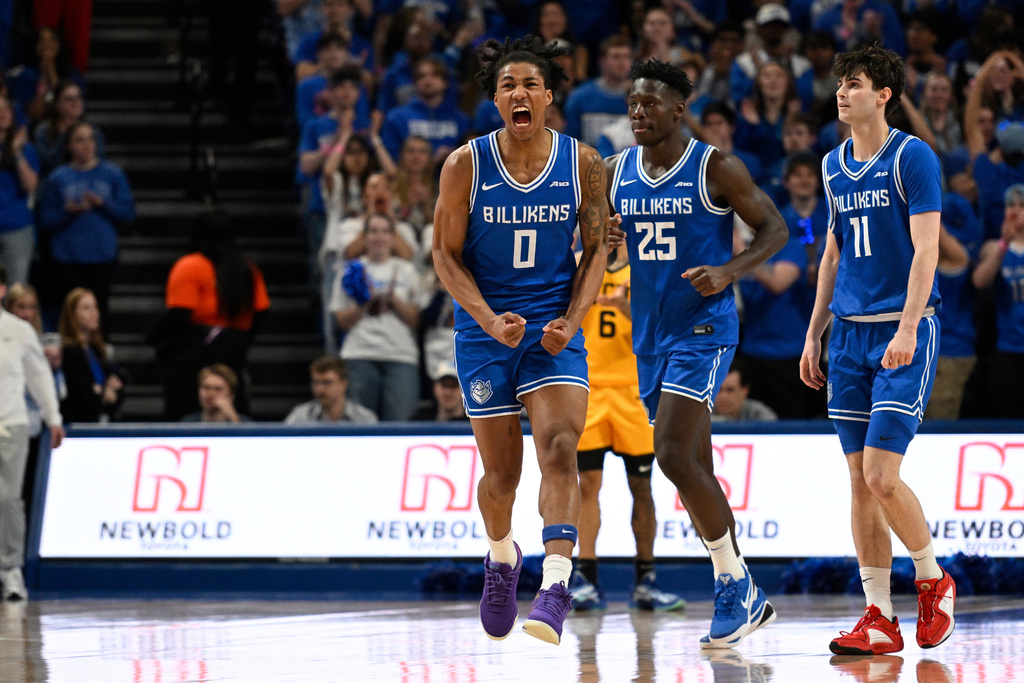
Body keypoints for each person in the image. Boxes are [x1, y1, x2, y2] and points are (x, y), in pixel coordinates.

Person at [432, 36, 610, 646]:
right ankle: (502, 557)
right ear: (497, 100)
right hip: (486, 332)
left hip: (551, 328)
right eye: (508, 85)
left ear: (550, 96)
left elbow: (596, 252)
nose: (520, 93)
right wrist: (484, 317)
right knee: (501, 478)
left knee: (561, 447)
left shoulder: (584, 163)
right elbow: (444, 255)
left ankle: (556, 584)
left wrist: (574, 317)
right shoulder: (465, 165)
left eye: (530, 84)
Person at [608, 58, 787, 649]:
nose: (638, 113)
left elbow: (777, 230)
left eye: (650, 104)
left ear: (678, 109)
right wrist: (606, 245)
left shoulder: (715, 167)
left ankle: (735, 584)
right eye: (632, 104)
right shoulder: (615, 172)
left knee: (671, 457)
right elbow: (606, 252)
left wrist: (728, 271)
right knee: (694, 467)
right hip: (650, 335)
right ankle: (743, 591)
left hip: (705, 329)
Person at [799, 44, 956, 656]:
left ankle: (932, 577)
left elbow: (926, 251)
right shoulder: (833, 164)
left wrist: (910, 329)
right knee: (859, 485)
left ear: (883, 94)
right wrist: (814, 333)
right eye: (839, 82)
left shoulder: (912, 158)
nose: (842, 92)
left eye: (855, 83)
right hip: (848, 333)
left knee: (881, 475)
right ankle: (878, 617)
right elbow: (831, 254)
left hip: (901, 329)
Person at [568, 245, 684, 613]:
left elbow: (664, 325)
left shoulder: (645, 268)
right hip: (589, 386)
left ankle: (646, 580)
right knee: (587, 485)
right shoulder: (577, 264)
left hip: (634, 390)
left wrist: (623, 307)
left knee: (642, 485)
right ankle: (584, 577)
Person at [148, 211, 270, 420]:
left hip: (191, 354)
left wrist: (152, 337)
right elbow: (261, 313)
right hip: (233, 349)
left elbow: (180, 313)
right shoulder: (248, 269)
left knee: (185, 413)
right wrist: (239, 340)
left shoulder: (190, 266)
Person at [0, 264, 64, 601]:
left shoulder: (19, 330)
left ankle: (11, 570)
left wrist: (53, 417)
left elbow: (39, 376)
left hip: (11, 423)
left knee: (9, 499)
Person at [37, 121, 135, 326]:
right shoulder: (58, 178)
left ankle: (100, 354)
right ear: (69, 145)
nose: (87, 144)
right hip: (67, 259)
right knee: (69, 317)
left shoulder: (112, 174)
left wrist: (102, 204)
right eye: (80, 140)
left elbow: (127, 214)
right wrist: (67, 212)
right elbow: (45, 220)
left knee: (99, 316)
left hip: (102, 257)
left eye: (91, 138)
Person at [331, 212, 423, 421]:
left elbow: (416, 320)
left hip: (400, 355)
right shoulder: (350, 270)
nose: (379, 237)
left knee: (401, 426)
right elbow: (341, 321)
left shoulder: (407, 271)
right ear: (365, 236)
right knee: (359, 427)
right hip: (359, 353)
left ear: (393, 237)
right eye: (373, 231)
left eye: (385, 231)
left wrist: (393, 300)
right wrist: (365, 303)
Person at [971, 184, 1024, 419]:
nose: (1016, 211)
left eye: (1022, 206)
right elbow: (980, 281)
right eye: (1011, 205)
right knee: (1009, 414)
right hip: (1008, 346)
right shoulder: (994, 247)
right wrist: (1004, 243)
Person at [57, 287, 123, 424]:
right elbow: (82, 397)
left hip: (101, 422)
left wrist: (104, 392)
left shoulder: (97, 349)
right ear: (72, 314)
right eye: (86, 308)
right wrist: (104, 394)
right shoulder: (70, 351)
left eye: (95, 307)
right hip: (78, 425)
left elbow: (118, 389)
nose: (94, 313)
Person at [0, 94, 38, 289]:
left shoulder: (26, 149)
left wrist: (16, 153)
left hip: (17, 227)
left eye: (6, 109)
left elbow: (31, 185)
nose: (2, 114)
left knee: (16, 288)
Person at [285, 355, 378, 424]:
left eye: (327, 382)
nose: (320, 389)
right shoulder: (300, 417)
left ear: (344, 384)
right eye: (316, 382)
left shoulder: (365, 419)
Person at [180, 365, 252, 423]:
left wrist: (233, 419)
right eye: (206, 388)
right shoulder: (187, 423)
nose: (210, 394)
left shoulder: (246, 423)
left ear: (231, 395)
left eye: (218, 389)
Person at [710, 362, 779, 422]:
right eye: (718, 390)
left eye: (730, 390)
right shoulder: (702, 415)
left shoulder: (759, 414)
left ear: (745, 390)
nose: (723, 397)